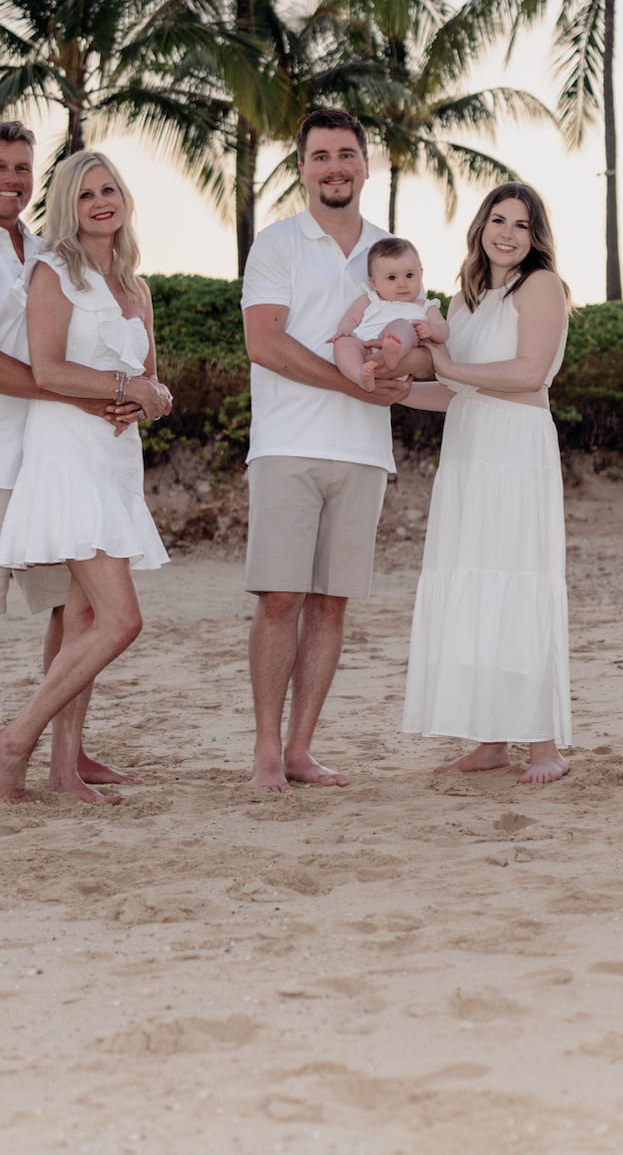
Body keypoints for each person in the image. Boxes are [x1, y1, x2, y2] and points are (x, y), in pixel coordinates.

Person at [0, 122, 140, 802]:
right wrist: (95, 391)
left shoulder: (52, 253)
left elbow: (92, 347)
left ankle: (65, 755)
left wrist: (117, 397)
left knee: (77, 616)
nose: (11, 180)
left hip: (53, 459)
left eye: (21, 170)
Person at [239, 110, 428, 792]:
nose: (335, 167)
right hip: (288, 445)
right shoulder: (279, 243)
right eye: (321, 156)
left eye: (347, 154)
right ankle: (265, 750)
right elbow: (264, 343)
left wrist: (408, 371)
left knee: (331, 604)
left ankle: (299, 750)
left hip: (363, 455)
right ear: (302, 169)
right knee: (281, 597)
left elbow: (419, 339)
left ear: (366, 165)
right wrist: (355, 384)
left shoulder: (391, 250)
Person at [0, 151, 174, 803]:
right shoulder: (53, 272)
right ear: (68, 205)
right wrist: (125, 386)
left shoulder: (133, 285)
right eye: (86, 193)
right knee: (121, 620)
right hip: (66, 455)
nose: (101, 201)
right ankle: (14, 740)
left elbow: (150, 379)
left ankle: (64, 771)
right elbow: (48, 370)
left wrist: (152, 397)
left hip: (116, 458)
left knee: (85, 616)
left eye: (110, 189)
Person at [401, 184, 573, 783]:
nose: (507, 233)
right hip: (470, 453)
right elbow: (455, 391)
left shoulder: (541, 286)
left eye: (521, 225)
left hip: (517, 451)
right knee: (476, 583)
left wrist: (447, 366)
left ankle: (545, 745)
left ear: (536, 237)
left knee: (520, 581)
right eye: (497, 220)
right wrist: (395, 392)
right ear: (480, 227)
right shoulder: (463, 300)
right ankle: (491, 740)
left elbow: (528, 374)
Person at [329, 237, 449, 391]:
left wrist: (433, 329)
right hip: (365, 347)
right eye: (392, 278)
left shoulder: (425, 306)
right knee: (343, 343)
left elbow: (444, 328)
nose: (402, 283)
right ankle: (359, 374)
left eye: (409, 275)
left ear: (421, 274)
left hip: (402, 353)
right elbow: (352, 316)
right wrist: (343, 331)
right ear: (374, 283)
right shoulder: (369, 298)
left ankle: (393, 354)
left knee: (401, 325)